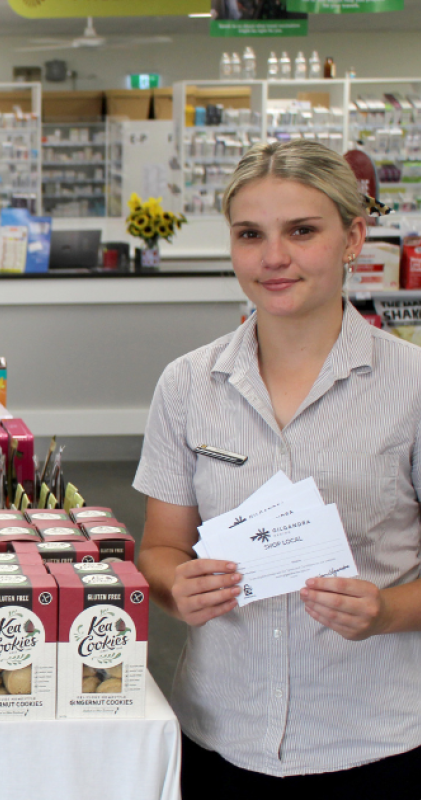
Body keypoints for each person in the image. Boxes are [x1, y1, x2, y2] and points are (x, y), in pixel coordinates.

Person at [134, 139, 421, 798]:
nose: (273, 258)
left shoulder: (410, 385)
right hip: (221, 732)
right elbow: (160, 547)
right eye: (250, 234)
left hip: (374, 738)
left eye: (301, 231)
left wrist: (385, 611)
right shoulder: (187, 385)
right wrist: (179, 587)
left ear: (352, 237)